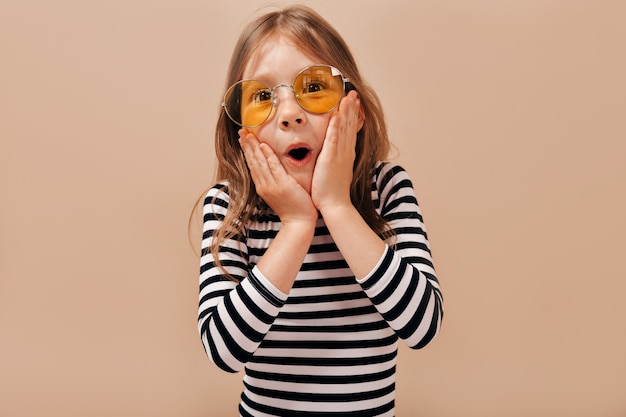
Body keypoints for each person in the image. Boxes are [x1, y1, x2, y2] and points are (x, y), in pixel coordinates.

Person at [197, 5, 443, 416]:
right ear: (241, 129)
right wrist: (296, 224)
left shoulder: (387, 190)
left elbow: (422, 325)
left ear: (355, 111)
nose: (290, 114)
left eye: (313, 88)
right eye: (261, 97)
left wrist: (336, 205)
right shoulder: (227, 206)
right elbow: (223, 350)